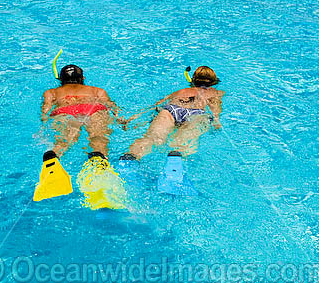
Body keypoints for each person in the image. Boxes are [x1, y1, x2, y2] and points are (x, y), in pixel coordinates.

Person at [34, 64, 127, 203]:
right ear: (83, 78)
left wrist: (43, 125)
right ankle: (99, 167)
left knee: (63, 142)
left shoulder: (51, 92)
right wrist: (121, 120)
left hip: (64, 110)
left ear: (61, 80)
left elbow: (45, 111)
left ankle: (52, 160)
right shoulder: (97, 91)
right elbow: (113, 108)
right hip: (94, 108)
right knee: (98, 140)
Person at [120, 66, 224, 162]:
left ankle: (131, 156)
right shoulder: (215, 92)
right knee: (182, 143)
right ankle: (175, 159)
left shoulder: (181, 91)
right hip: (196, 113)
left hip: (171, 110)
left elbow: (154, 106)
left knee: (152, 138)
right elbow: (215, 109)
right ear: (213, 81)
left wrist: (132, 119)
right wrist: (216, 121)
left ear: (193, 80)